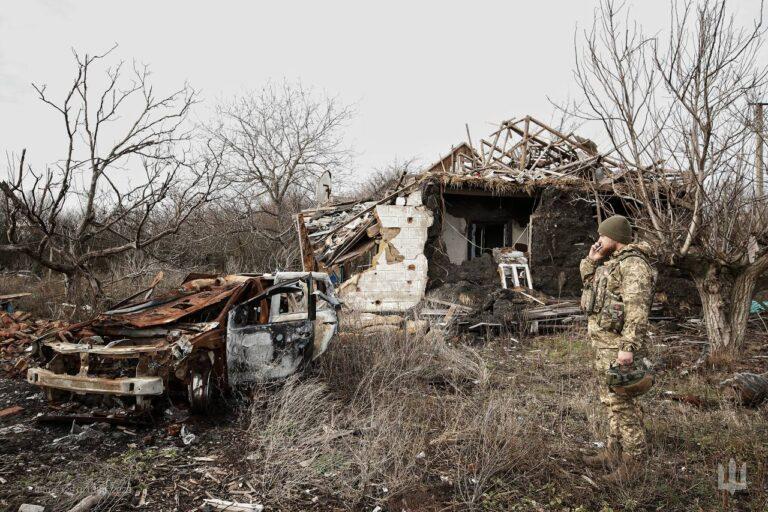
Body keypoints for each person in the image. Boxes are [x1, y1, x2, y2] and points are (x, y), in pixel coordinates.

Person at [579, 215, 657, 482]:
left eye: (603, 235)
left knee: (623, 403)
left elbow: (637, 310)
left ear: (615, 237)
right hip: (604, 346)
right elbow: (589, 283)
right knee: (611, 401)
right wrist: (592, 259)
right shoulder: (612, 262)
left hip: (618, 348)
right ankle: (614, 449)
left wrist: (628, 347)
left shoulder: (634, 265)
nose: (598, 239)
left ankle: (634, 462)